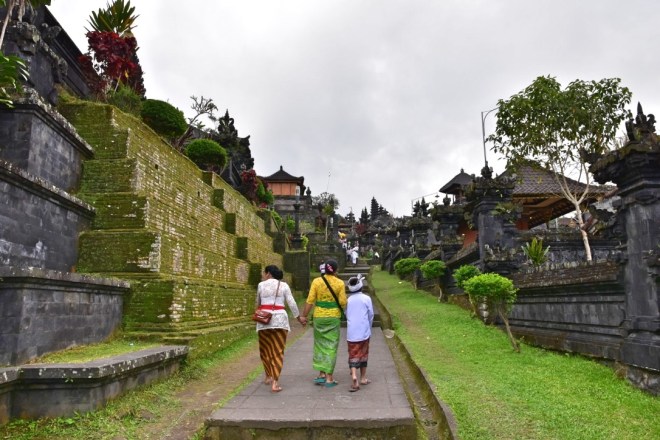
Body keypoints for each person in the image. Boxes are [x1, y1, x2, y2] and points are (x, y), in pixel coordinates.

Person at [255, 265, 305, 393]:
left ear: (268, 273)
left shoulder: (261, 285)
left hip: (264, 321)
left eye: (264, 273)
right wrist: (298, 318)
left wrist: (258, 314)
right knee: (277, 351)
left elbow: (257, 303)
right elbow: (292, 303)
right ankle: (275, 383)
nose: (263, 275)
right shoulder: (284, 286)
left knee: (265, 349)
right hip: (280, 321)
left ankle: (268, 376)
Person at [299, 259, 347, 388]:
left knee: (319, 345)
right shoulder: (340, 283)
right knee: (331, 346)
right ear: (336, 270)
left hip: (319, 317)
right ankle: (329, 377)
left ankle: (321, 374)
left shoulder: (316, 281)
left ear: (324, 269)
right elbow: (343, 302)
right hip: (333, 317)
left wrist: (304, 316)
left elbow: (310, 301)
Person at [345, 274, 374, 392]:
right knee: (364, 354)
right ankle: (363, 378)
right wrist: (369, 326)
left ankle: (354, 376)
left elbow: (346, 314)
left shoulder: (348, 300)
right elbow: (371, 314)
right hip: (364, 331)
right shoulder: (366, 298)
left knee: (353, 354)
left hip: (352, 333)